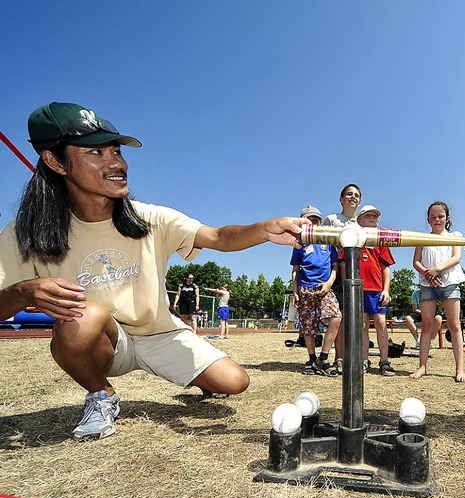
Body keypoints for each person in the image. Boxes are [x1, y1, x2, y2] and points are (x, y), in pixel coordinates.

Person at [0, 101, 306, 442]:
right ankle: (102, 395)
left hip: (160, 333)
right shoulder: (24, 233)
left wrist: (264, 229)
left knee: (234, 383)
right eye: (96, 153)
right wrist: (22, 291)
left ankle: (195, 376)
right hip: (101, 340)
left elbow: (219, 237)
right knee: (81, 317)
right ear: (56, 162)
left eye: (115, 150)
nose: (116, 162)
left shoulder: (150, 217)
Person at [409, 202, 465, 382]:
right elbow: (416, 261)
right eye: (433, 217)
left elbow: (456, 257)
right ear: (428, 220)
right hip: (427, 285)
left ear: (447, 218)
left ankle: (460, 369)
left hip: (450, 283)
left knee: (454, 325)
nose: (437, 220)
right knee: (427, 324)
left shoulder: (455, 235)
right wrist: (429, 274)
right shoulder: (422, 238)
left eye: (440, 216)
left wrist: (437, 269)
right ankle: (422, 367)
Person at [290, 205, 342, 376]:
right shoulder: (299, 244)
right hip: (305, 288)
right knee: (308, 326)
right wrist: (295, 291)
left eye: (316, 219)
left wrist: (328, 284)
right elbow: (295, 269)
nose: (313, 221)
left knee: (336, 317)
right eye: (309, 219)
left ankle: (323, 357)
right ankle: (312, 359)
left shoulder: (328, 242)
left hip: (325, 287)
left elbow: (335, 267)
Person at [347, 204, 396, 376]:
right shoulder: (352, 238)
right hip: (359, 290)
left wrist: (386, 289)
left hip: (377, 290)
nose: (372, 218)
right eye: (368, 215)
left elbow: (386, 268)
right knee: (362, 326)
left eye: (375, 216)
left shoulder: (381, 240)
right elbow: (343, 263)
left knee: (381, 324)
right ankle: (364, 361)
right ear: (359, 220)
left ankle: (384, 361)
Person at [323, 183, 362, 374]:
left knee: (353, 319)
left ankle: (353, 358)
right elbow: (322, 246)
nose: (352, 197)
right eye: (348, 194)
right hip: (335, 273)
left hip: (355, 273)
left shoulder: (361, 224)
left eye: (356, 195)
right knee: (337, 318)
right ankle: (338, 358)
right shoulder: (331, 219)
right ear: (341, 199)